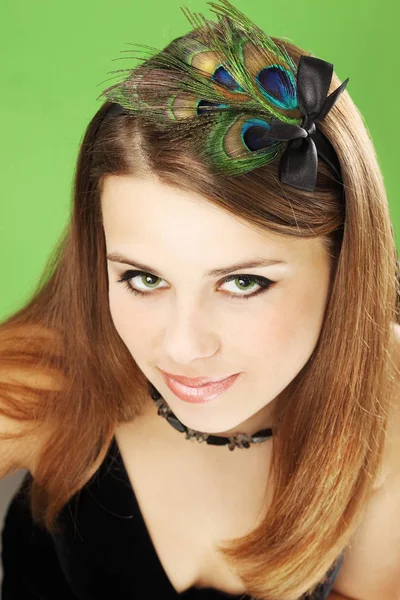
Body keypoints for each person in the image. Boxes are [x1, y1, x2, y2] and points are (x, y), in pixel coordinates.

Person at [0, 1, 399, 599]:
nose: (182, 346)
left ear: (344, 264)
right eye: (143, 279)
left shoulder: (387, 399)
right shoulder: (45, 378)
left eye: (243, 282)